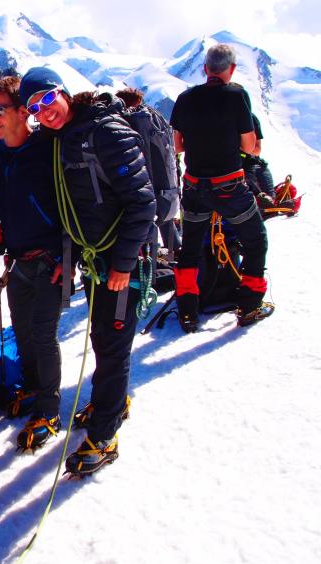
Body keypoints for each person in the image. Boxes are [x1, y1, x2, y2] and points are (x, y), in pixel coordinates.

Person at [21, 67, 155, 475]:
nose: (44, 111)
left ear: (63, 92)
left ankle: (105, 437)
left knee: (113, 347)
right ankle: (109, 403)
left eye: (47, 99)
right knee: (102, 337)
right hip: (99, 261)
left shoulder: (105, 132)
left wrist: (123, 264)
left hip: (122, 263)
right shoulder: (63, 137)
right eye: (34, 108)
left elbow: (143, 203)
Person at [0, 75, 65, 451]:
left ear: (22, 111)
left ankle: (50, 409)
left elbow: (70, 204)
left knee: (43, 334)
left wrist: (67, 255)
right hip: (16, 260)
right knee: (24, 332)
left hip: (51, 259)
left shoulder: (47, 148)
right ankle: (32, 387)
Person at [170, 43, 273, 330]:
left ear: (205, 69)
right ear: (232, 69)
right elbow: (250, 148)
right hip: (229, 186)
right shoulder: (236, 95)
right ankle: (249, 306)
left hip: (194, 187)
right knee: (255, 241)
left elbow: (178, 146)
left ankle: (188, 313)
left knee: (190, 248)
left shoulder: (185, 98)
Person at [116, 87, 182, 257]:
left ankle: (151, 263)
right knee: (166, 226)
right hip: (166, 190)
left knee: (146, 234)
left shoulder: (132, 123)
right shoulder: (155, 120)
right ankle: (174, 256)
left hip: (145, 191)